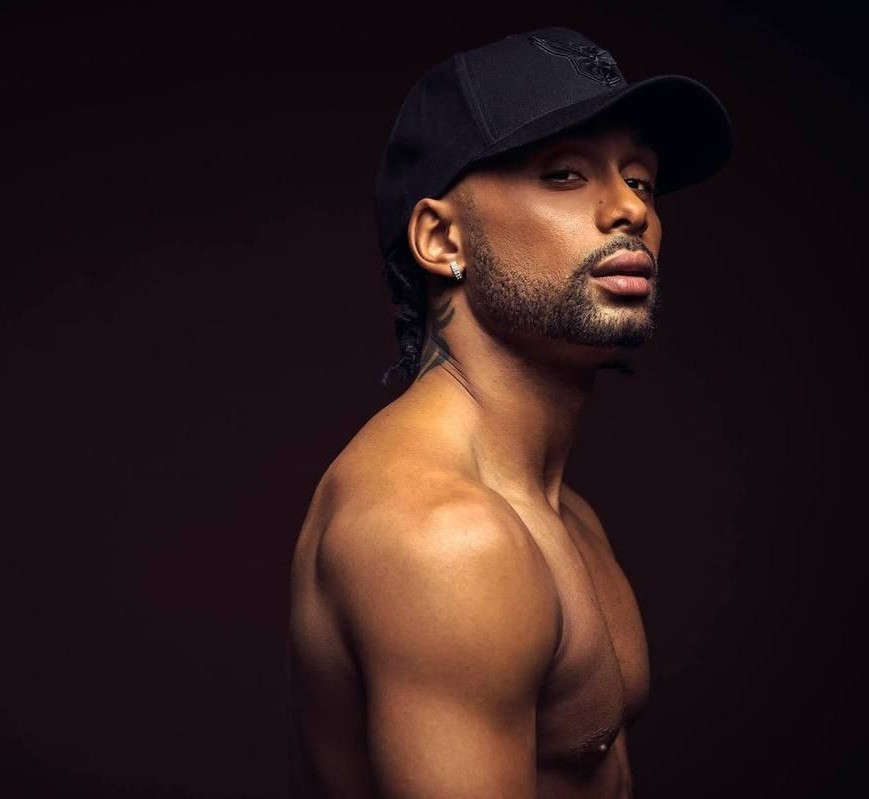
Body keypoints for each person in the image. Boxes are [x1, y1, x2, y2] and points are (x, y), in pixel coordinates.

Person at [288, 26, 732, 798]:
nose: (627, 208)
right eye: (563, 174)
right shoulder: (443, 535)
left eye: (642, 181)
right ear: (439, 237)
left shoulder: (557, 510)